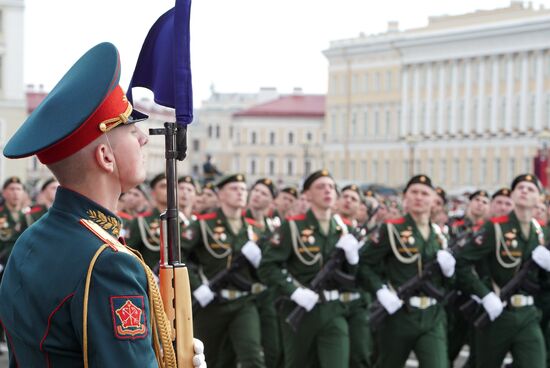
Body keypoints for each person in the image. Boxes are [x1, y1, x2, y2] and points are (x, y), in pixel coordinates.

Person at [0, 43, 205, 367]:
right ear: (105, 157)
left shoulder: (32, 239)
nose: (142, 138)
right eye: (130, 128)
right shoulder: (109, 264)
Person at [259, 170, 360, 368]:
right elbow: (268, 267)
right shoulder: (293, 226)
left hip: (333, 309)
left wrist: (353, 260)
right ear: (307, 194)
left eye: (331, 187)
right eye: (321, 187)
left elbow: (352, 277)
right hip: (300, 310)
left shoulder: (343, 230)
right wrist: (294, 291)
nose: (327, 191)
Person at [359, 175, 455, 368]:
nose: (419, 197)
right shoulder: (391, 230)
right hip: (399, 314)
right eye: (414, 192)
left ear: (433, 200)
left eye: (424, 193)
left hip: (432, 315)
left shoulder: (439, 235)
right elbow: (363, 264)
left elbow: (449, 285)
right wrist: (381, 291)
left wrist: (449, 271)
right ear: (406, 198)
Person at [457, 174, 550, 367]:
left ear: (539, 198)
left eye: (530, 189)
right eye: (520, 188)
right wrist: (485, 295)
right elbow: (462, 263)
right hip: (497, 313)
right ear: (513, 195)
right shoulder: (496, 227)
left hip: (528, 314)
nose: (524, 191)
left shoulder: (539, 233)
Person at [181, 173, 266, 368]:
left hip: (244, 301)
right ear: (220, 195)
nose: (240, 193)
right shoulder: (204, 224)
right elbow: (180, 256)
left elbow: (266, 271)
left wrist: (259, 261)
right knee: (207, 358)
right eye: (234, 189)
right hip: (211, 302)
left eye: (243, 189)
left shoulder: (255, 229)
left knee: (252, 356)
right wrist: (196, 286)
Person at [126, 173, 167, 269]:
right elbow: (130, 255)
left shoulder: (185, 222)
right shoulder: (141, 222)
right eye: (163, 186)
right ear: (153, 193)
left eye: (173, 186)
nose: (169, 190)